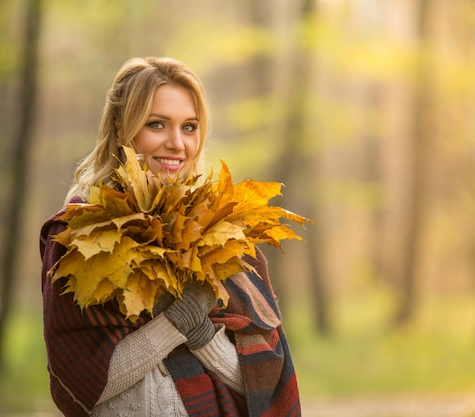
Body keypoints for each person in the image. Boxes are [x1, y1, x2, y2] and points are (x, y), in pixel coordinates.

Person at [40, 57, 302, 417]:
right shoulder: (80, 234)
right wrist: (172, 323)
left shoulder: (223, 234)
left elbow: (261, 382)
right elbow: (86, 384)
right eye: (157, 124)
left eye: (189, 127)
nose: (177, 143)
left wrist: (202, 333)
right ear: (121, 128)